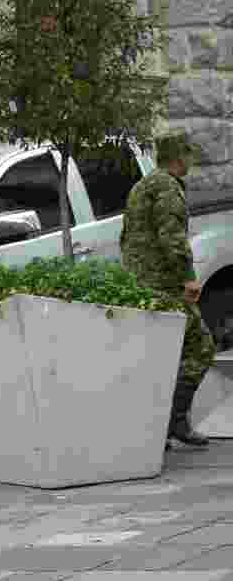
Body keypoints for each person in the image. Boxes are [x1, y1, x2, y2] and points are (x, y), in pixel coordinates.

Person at [121, 130, 216, 446]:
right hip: (163, 285)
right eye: (189, 155)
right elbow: (172, 237)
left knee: (158, 355)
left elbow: (127, 238)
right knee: (200, 347)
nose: (191, 161)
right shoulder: (167, 188)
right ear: (180, 157)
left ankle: (158, 425)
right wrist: (188, 277)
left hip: (140, 283)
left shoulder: (141, 186)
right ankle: (174, 421)